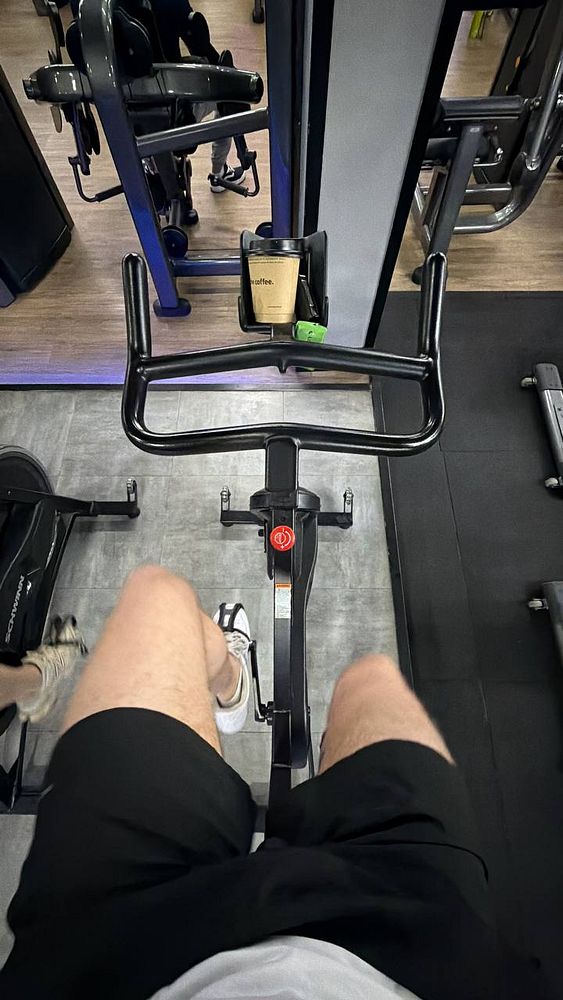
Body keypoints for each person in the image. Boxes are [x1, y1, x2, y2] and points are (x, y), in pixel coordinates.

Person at [0, 566, 544, 1000]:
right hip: (418, 948)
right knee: (371, 678)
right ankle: (234, 681)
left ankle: (232, 677)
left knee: (156, 595)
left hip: (114, 957)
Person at [68, 0, 246, 192]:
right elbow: (201, 46)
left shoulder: (83, 5)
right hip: (174, 108)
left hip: (119, 114)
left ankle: (147, 168)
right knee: (229, 90)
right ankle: (219, 172)